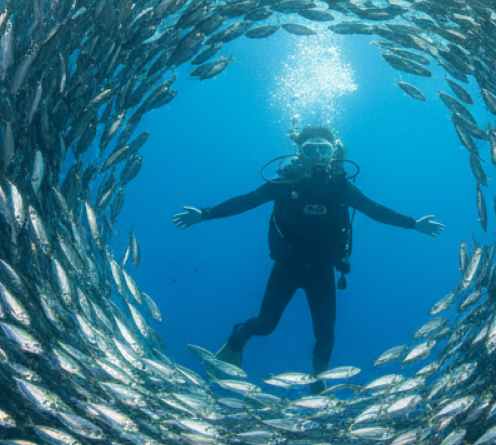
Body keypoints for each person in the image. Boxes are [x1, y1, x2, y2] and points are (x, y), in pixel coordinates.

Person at [173, 125, 443, 392]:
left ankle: (318, 382)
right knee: (265, 326)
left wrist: (413, 223)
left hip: (322, 270)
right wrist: (205, 214)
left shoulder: (341, 187)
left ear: (334, 153)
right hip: (287, 266)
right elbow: (246, 201)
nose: (317, 157)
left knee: (325, 335)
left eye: (323, 150)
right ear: (299, 153)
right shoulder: (284, 183)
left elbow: (374, 210)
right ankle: (238, 338)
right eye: (310, 149)